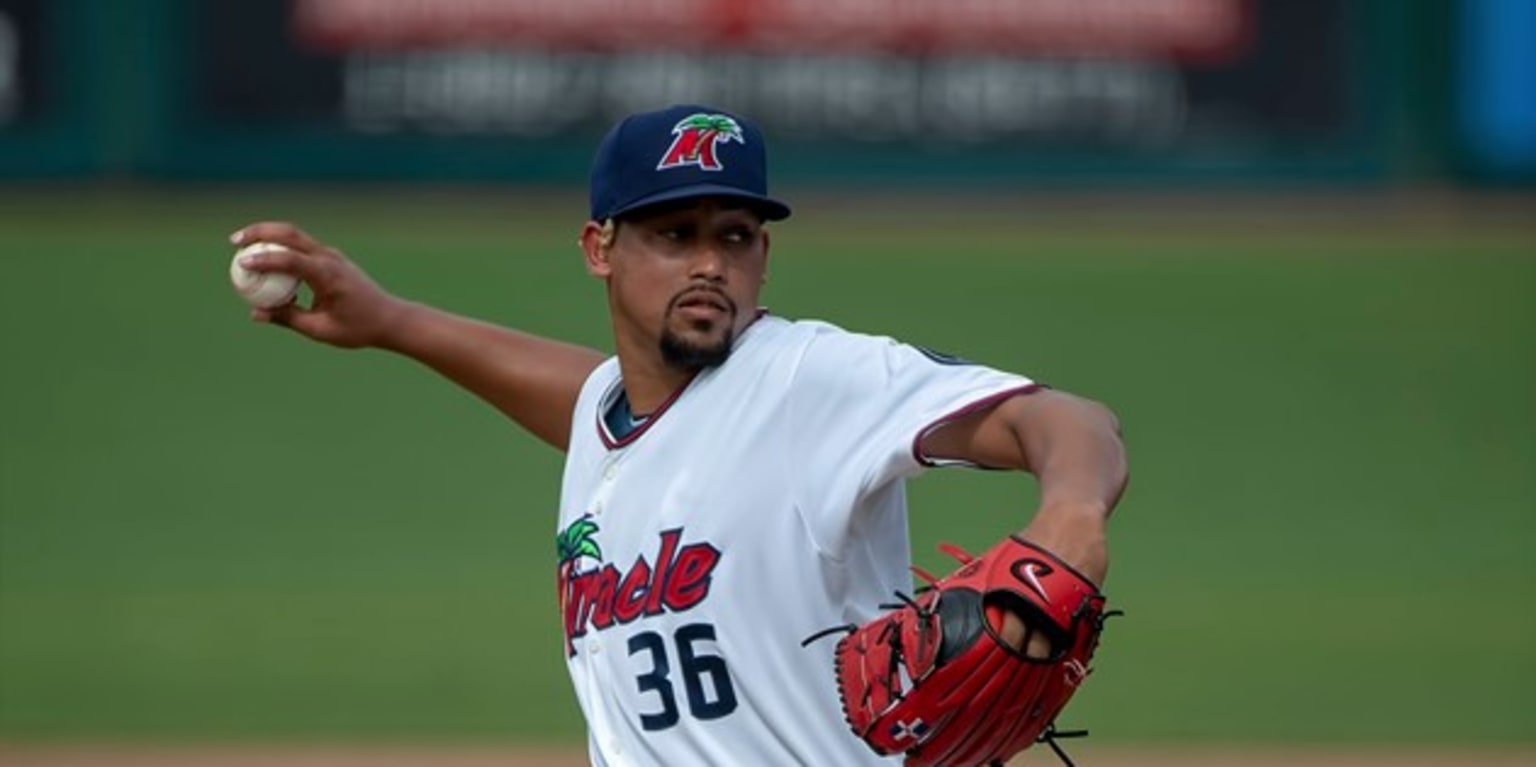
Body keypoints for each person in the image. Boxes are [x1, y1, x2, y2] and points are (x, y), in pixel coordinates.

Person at [230, 104, 1127, 766]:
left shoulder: (808, 378)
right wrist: (391, 320)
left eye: (734, 235)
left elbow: (1066, 419)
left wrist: (1072, 516)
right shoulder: (611, 415)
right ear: (599, 248)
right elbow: (593, 403)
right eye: (672, 233)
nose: (709, 262)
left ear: (764, 257)